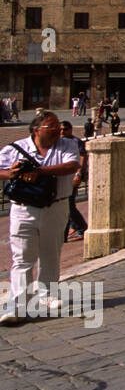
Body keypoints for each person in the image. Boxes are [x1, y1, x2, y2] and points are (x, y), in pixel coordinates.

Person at [0, 113, 83, 323]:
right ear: (37, 130)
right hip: (23, 209)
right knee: (22, 257)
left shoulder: (67, 145)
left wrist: (39, 171)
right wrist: (11, 173)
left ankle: (48, 296)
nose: (58, 130)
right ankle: (17, 306)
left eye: (58, 126)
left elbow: (72, 165)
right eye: (51, 127)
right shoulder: (15, 148)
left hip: (56, 206)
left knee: (50, 253)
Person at [60, 122, 88, 243]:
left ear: (71, 130)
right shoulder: (57, 142)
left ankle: (81, 227)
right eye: (60, 129)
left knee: (69, 204)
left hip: (72, 177)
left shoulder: (76, 142)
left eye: (65, 129)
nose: (62, 132)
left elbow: (82, 157)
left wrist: (78, 173)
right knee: (64, 204)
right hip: (62, 177)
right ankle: (67, 231)